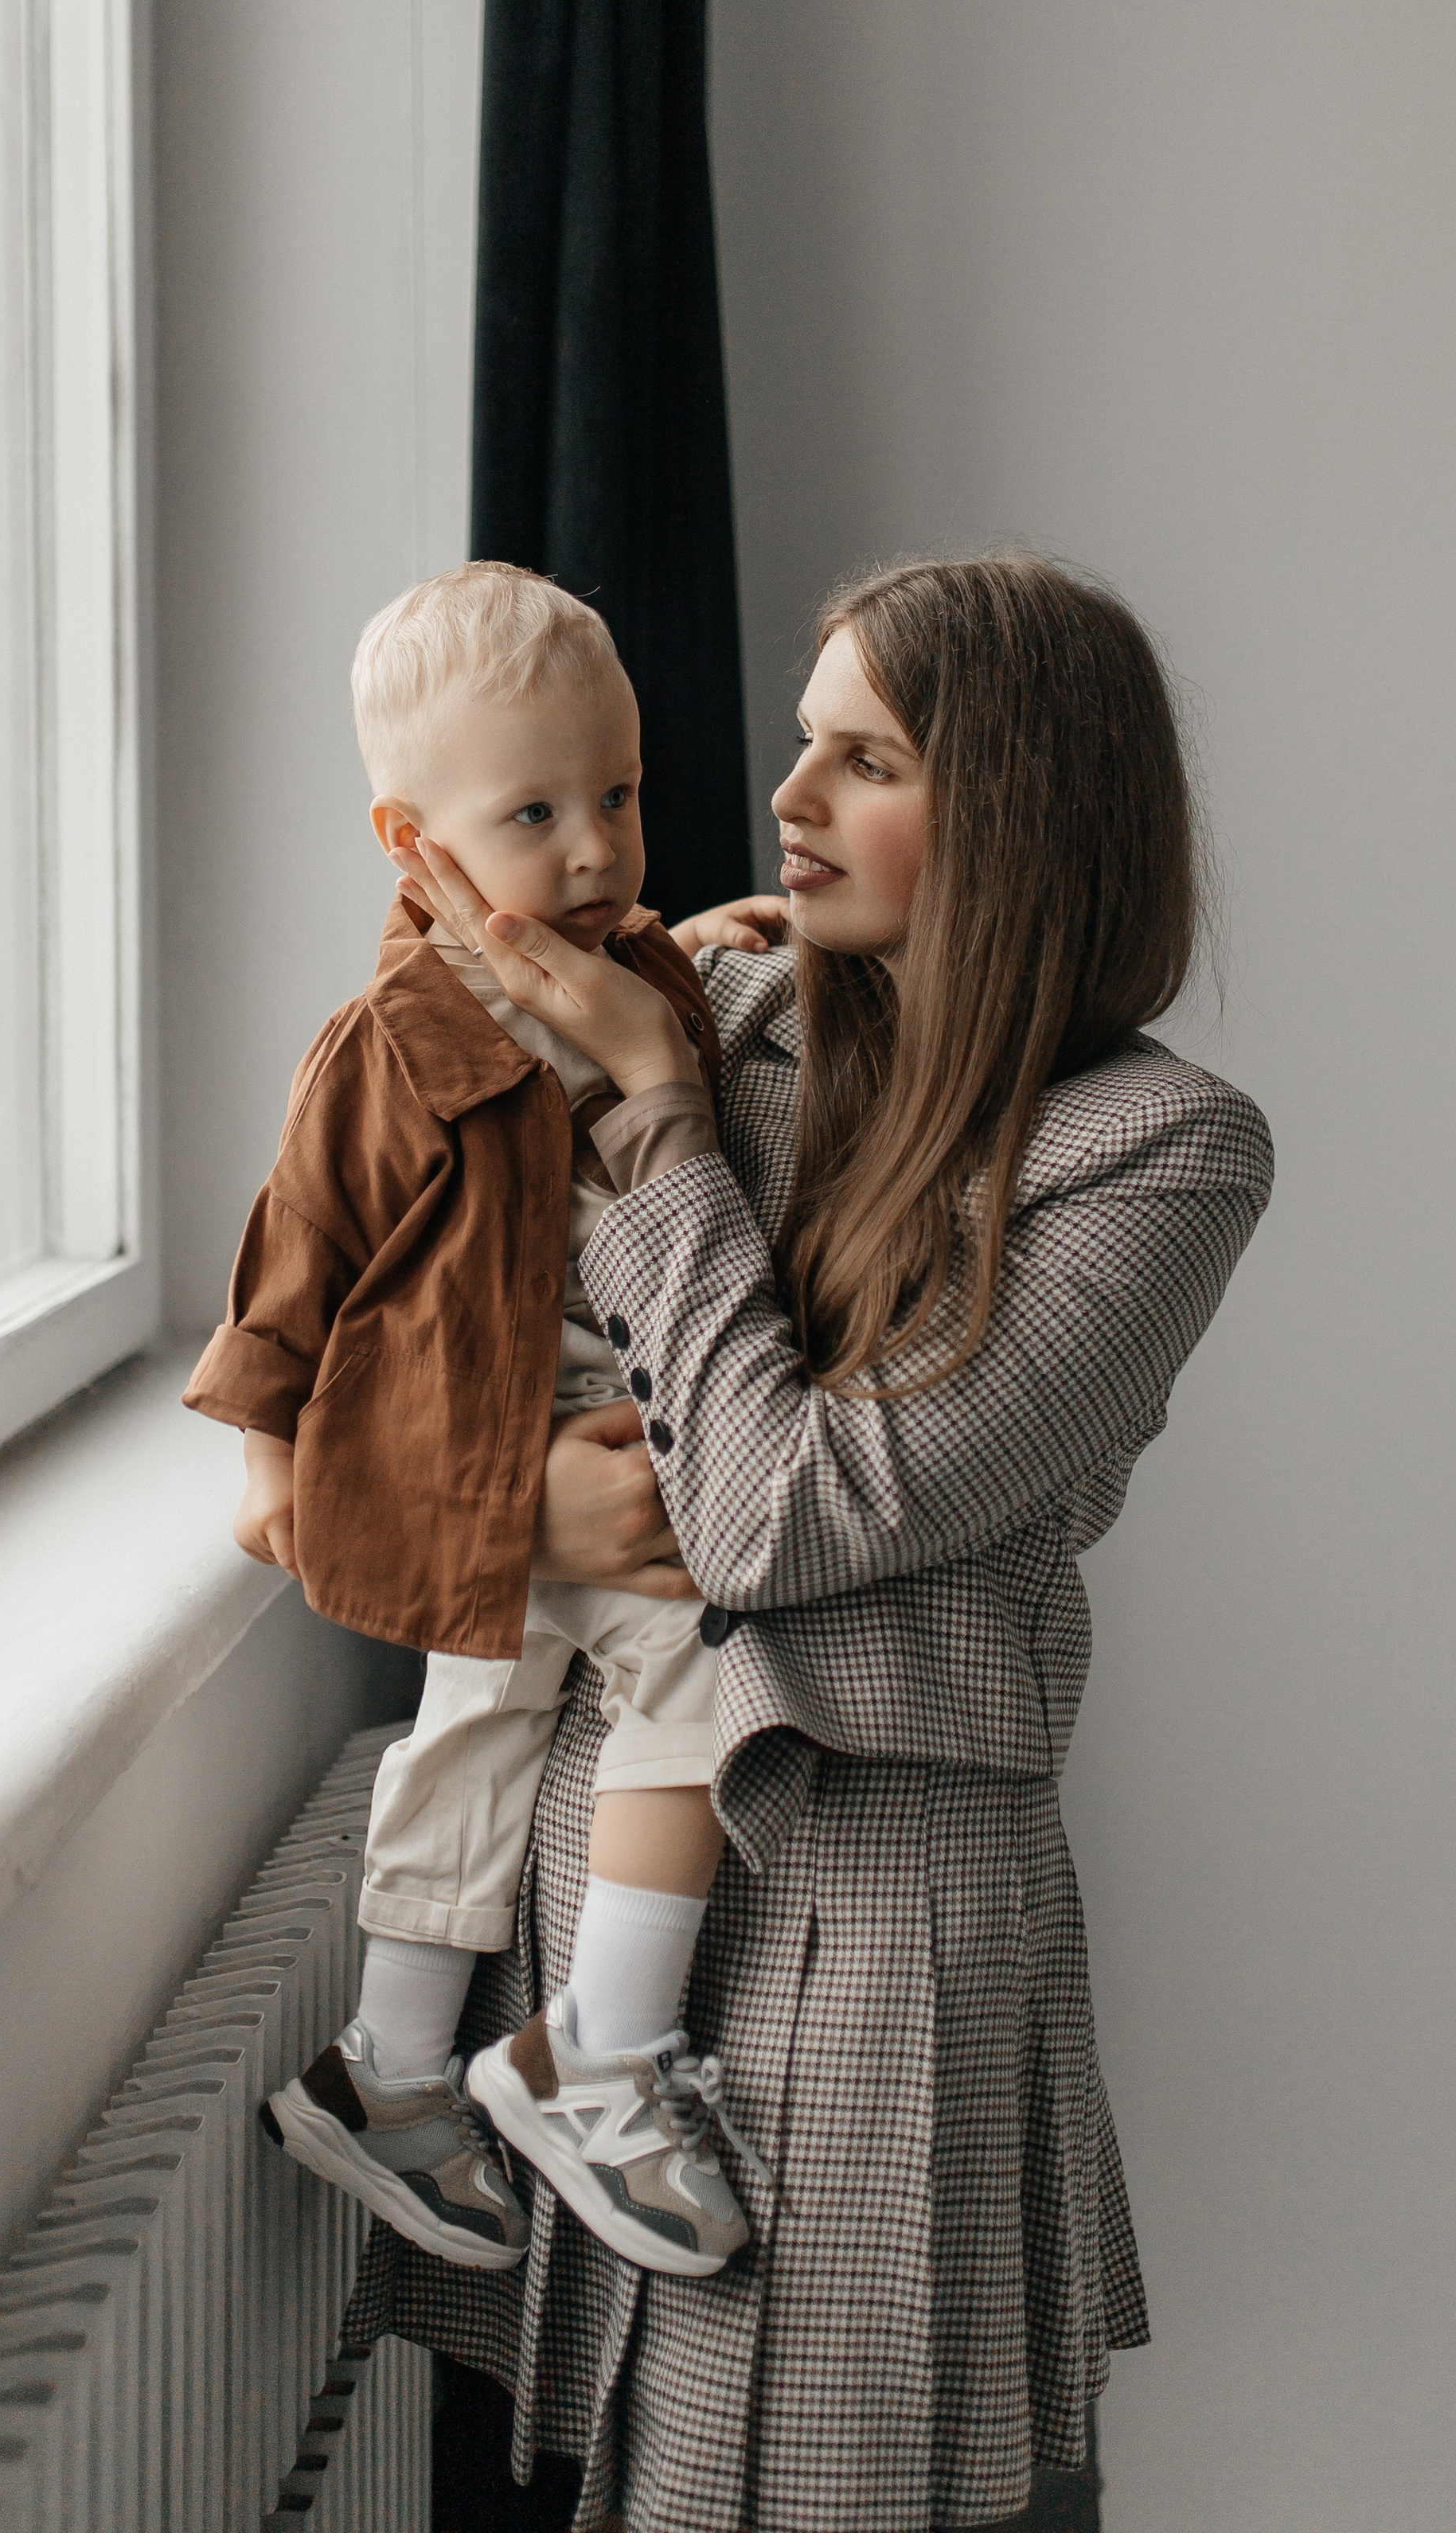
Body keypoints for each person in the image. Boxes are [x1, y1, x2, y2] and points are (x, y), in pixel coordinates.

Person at [356, 548, 1276, 2533]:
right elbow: (393, 1322)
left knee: (878, 2485)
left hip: (880, 1906)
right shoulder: (717, 995)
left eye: (865, 759)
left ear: (1015, 814)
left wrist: (659, 1117)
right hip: (590, 1874)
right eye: (802, 743)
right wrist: (503, 1501)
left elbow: (780, 1515)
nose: (782, 798)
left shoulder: (1157, 1153)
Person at [183, 564, 782, 2281]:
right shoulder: (390, 1044)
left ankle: (387, 2073)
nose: (595, 850)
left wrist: (705, 937)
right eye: (535, 815)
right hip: (478, 1450)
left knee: (476, 1736)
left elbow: (629, 1007)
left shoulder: (631, 964)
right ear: (412, 839)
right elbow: (292, 1261)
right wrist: (269, 1462)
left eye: (620, 795)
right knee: (692, 1675)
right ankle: (601, 2047)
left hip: (577, 1432)